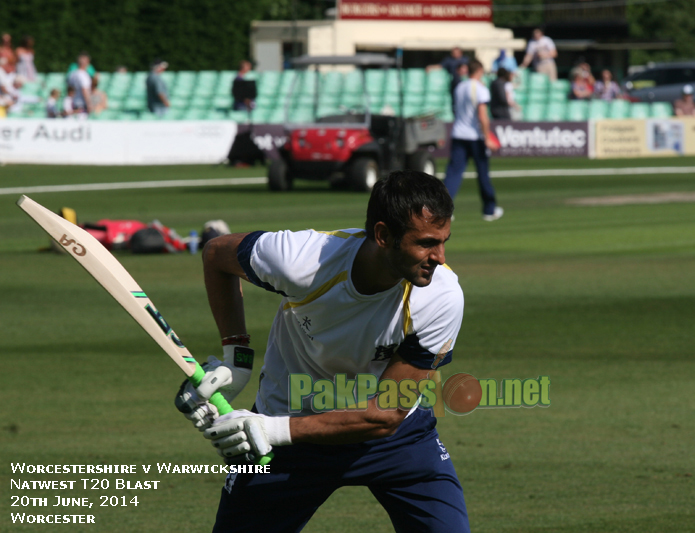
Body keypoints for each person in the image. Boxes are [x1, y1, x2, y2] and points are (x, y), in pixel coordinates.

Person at [175, 170, 470, 533]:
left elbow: (385, 415)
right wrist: (238, 357)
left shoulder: (441, 296)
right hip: (287, 431)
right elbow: (217, 254)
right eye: (426, 243)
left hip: (393, 440)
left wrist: (272, 430)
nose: (439, 257)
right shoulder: (302, 260)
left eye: (444, 241)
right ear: (382, 235)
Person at [444, 59, 503, 221]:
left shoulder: (459, 87)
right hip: (475, 137)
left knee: (453, 173)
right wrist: (487, 138)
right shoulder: (481, 89)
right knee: (483, 173)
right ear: (479, 71)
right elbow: (482, 116)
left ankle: (443, 210)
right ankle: (489, 210)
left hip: (458, 134)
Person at [67, 52, 92, 116]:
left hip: (73, 104)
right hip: (82, 105)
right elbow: (84, 90)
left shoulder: (72, 74)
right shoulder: (84, 75)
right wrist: (89, 104)